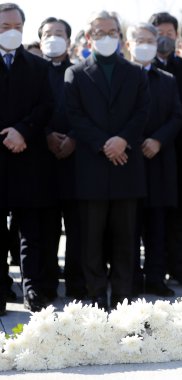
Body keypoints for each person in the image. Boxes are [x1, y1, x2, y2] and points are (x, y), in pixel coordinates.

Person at [64, 10, 150, 311]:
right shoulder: (75, 73)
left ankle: (124, 295)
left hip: (127, 165)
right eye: (99, 33)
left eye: (112, 32)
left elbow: (142, 113)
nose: (106, 37)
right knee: (91, 238)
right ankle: (97, 293)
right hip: (92, 166)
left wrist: (122, 140)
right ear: (89, 38)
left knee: (126, 238)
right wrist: (104, 143)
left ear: (120, 35)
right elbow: (75, 115)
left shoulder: (136, 73)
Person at [0, 2, 55, 312]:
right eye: (4, 27)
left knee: (29, 232)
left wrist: (22, 131)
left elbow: (46, 105)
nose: (11, 33)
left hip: (28, 157)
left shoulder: (38, 67)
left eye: (16, 27)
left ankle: (31, 288)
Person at [125, 23, 182, 296]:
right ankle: (132, 278)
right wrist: (136, 142)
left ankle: (156, 277)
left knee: (158, 225)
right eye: (140, 40)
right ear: (128, 44)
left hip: (160, 161)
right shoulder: (121, 77)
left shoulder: (167, 79)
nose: (145, 45)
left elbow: (177, 116)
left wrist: (158, 139)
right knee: (129, 226)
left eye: (150, 40)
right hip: (128, 160)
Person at [149, 12, 182, 286]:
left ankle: (180, 267)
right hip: (149, 152)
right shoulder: (139, 67)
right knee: (153, 216)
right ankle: (153, 269)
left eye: (171, 34)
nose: (165, 38)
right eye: (160, 32)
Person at [39, 16, 86, 300]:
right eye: (48, 33)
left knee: (78, 229)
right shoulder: (32, 71)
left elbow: (89, 112)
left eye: (59, 34)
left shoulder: (80, 72)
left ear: (69, 41)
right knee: (44, 228)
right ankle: (44, 286)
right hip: (39, 161)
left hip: (76, 161)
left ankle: (77, 285)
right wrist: (46, 134)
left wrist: (74, 138)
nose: (53, 38)